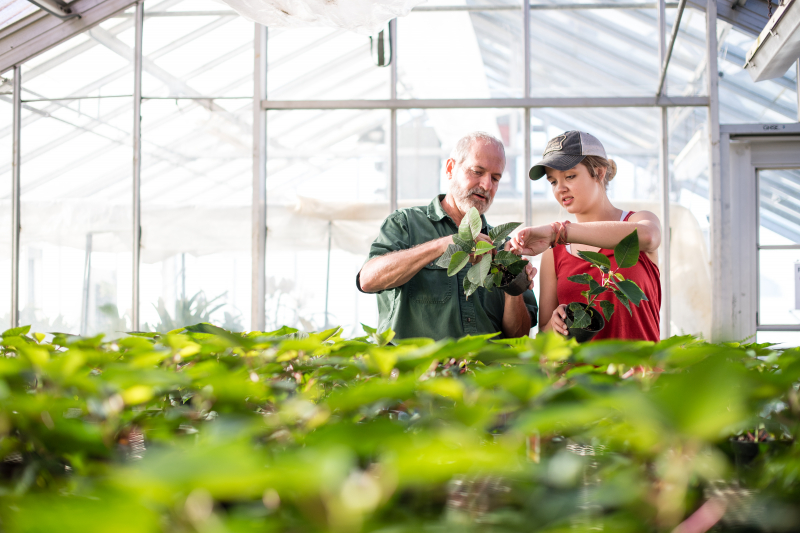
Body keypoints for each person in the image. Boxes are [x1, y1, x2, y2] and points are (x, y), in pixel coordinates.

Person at [357, 132, 538, 341]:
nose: (487, 185)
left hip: (485, 372)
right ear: (451, 168)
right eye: (477, 171)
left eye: (495, 178)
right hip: (418, 371)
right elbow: (368, 280)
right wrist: (442, 245)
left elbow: (518, 336)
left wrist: (512, 286)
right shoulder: (406, 223)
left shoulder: (504, 248)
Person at [508, 130, 661, 342]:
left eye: (570, 176)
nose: (560, 188)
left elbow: (649, 237)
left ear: (598, 172)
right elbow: (544, 336)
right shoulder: (555, 253)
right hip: (578, 375)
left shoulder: (637, 222)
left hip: (639, 373)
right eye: (553, 182)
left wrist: (558, 232)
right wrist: (554, 324)